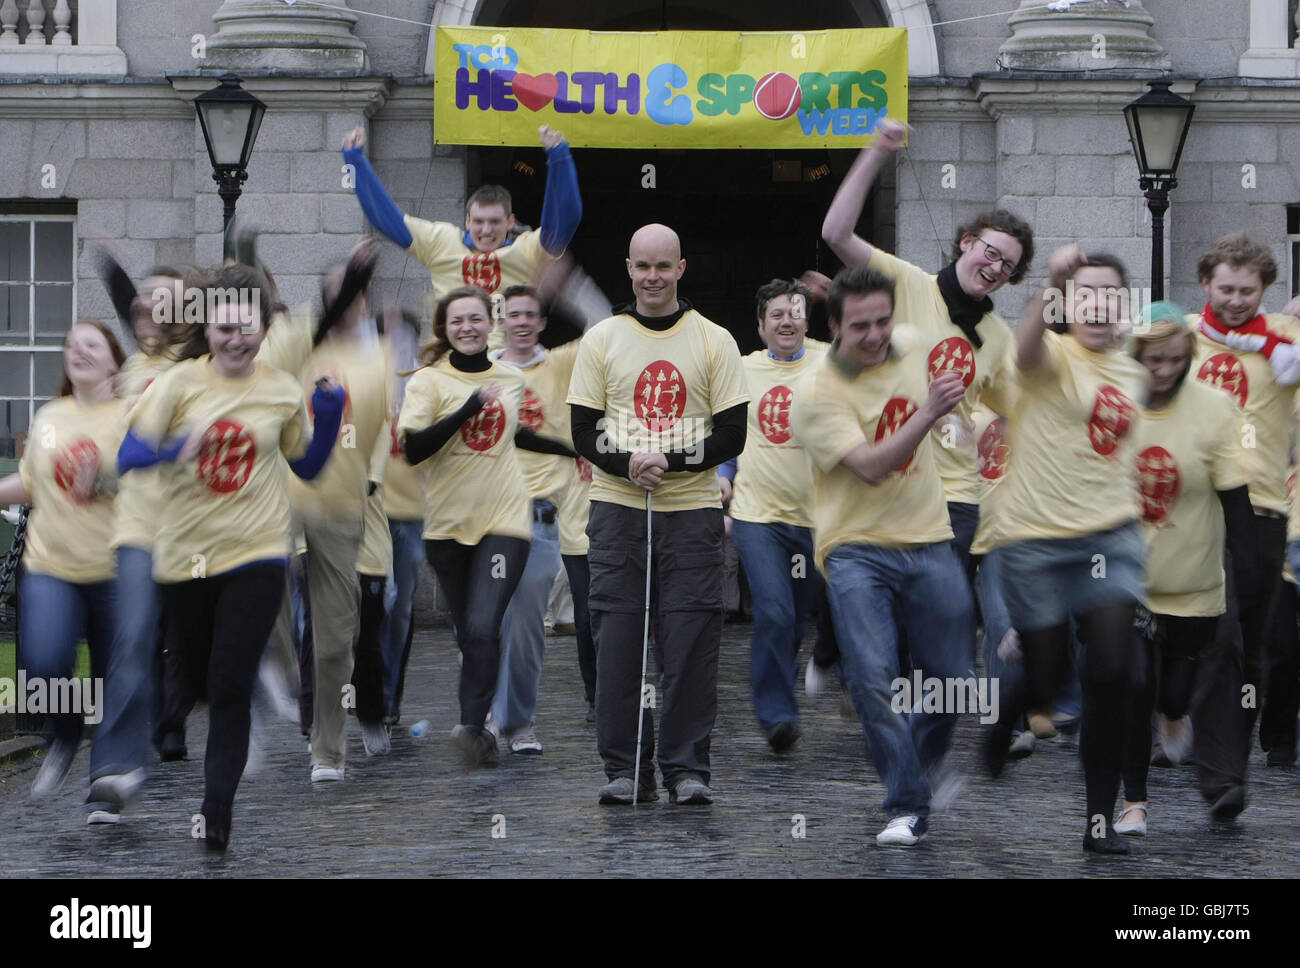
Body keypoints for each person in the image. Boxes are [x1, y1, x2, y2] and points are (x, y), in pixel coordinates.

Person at [121, 264, 345, 849]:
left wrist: (328, 417)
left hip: (258, 552)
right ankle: (220, 703)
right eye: (224, 329)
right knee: (196, 680)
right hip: (185, 558)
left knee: (226, 684)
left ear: (265, 325)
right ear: (206, 326)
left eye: (247, 327)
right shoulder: (177, 384)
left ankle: (216, 809)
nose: (236, 339)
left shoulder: (278, 387)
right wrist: (175, 446)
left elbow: (307, 465)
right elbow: (128, 455)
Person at [568, 223, 749, 806]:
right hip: (617, 513)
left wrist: (667, 461)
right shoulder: (601, 339)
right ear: (628, 268)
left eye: (663, 266)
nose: (652, 277)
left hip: (692, 513)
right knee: (616, 640)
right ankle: (623, 768)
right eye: (642, 266)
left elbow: (733, 434)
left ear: (680, 269)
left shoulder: (714, 339)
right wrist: (626, 464)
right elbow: (582, 429)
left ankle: (686, 769)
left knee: (691, 642)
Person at [789, 266, 971, 847]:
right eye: (860, 326)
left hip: (928, 537)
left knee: (955, 679)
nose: (875, 336)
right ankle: (907, 802)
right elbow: (870, 466)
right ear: (834, 326)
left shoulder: (915, 347)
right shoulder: (816, 393)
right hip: (855, 550)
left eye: (883, 321)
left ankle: (914, 764)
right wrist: (930, 412)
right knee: (873, 678)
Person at [980, 246, 1148, 854]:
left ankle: (1098, 821)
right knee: (1049, 671)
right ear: (1068, 304)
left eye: (1110, 294)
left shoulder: (1134, 370)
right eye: (1085, 293)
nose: (1098, 304)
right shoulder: (1048, 355)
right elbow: (1023, 349)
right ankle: (1009, 715)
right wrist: (1049, 282)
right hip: (1037, 537)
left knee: (1112, 671)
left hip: (1112, 535)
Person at [820, 118, 1033, 587]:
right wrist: (877, 151)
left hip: (954, 501)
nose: (995, 267)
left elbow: (1020, 412)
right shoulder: (909, 284)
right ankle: (830, 656)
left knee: (937, 630)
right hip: (887, 482)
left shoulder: (998, 338)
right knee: (870, 613)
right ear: (966, 242)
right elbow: (836, 233)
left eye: (1008, 266)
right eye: (990, 252)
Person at [396, 286, 574, 767]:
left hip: (504, 519)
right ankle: (484, 725)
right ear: (445, 328)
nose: (467, 328)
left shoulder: (510, 378)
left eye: (475, 319)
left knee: (484, 622)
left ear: (487, 323)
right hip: (448, 526)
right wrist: (467, 409)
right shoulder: (427, 382)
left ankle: (474, 725)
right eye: (457, 321)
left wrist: (572, 450)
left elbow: (515, 433)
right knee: (469, 633)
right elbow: (414, 449)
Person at [1118, 302, 1256, 836]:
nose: (1165, 370)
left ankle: (1174, 714)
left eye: (1176, 359)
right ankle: (1133, 801)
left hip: (1195, 578)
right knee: (1131, 684)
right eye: (1154, 359)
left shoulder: (1214, 409)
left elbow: (1234, 499)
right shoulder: (1115, 405)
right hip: (1129, 576)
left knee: (1175, 691)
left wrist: (1250, 573)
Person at [1188, 233, 1300, 813]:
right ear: (1206, 282)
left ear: (1265, 290)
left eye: (1247, 291)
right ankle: (1219, 772)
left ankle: (1229, 764)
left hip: (1262, 512)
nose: (1235, 301)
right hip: (1193, 510)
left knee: (1252, 650)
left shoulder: (1287, 342)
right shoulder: (1180, 336)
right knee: (1223, 638)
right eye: (1225, 288)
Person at [276, 241, 392, 782]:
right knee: (258, 602)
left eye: (353, 294)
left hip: (341, 512)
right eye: (334, 293)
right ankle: (260, 689)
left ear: (365, 303)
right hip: (278, 504)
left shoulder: (379, 360)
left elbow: (385, 435)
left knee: (333, 642)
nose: (344, 301)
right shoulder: (298, 341)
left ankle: (327, 751)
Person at [86, 260, 196, 821]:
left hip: (199, 531)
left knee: (193, 645)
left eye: (162, 300)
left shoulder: (202, 361)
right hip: (137, 527)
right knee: (131, 642)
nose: (146, 307)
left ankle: (172, 725)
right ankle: (112, 769)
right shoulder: (128, 369)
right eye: (142, 300)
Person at [0, 321, 127, 803]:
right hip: (52, 565)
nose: (78, 350)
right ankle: (66, 733)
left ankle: (106, 781)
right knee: (45, 661)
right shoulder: (50, 415)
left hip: (115, 567)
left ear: (114, 360)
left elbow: (147, 479)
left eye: (91, 344)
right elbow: (33, 481)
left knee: (113, 678)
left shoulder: (130, 416)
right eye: (71, 344)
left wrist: (104, 479)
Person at [716, 278, 827, 752]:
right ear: (761, 326)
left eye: (795, 312)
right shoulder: (741, 371)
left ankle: (826, 662)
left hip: (820, 517)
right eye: (776, 314)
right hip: (756, 514)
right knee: (775, 613)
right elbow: (726, 429)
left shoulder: (830, 361)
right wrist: (722, 473)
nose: (787, 321)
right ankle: (777, 714)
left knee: (802, 618)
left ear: (807, 318)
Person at [485, 285, 586, 754]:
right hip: (488, 511)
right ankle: (485, 711)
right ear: (500, 320)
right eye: (514, 314)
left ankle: (517, 720)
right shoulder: (484, 370)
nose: (522, 322)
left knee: (526, 623)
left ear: (543, 322)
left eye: (532, 314)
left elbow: (608, 326)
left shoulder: (561, 363)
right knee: (485, 621)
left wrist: (570, 284)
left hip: (541, 514)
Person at [341, 125, 581, 308]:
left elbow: (564, 220)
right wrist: (354, 161)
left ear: (510, 222)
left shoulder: (527, 250)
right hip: (448, 365)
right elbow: (386, 219)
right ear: (467, 221)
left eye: (495, 222)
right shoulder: (441, 241)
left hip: (507, 365)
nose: (486, 230)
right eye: (478, 221)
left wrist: (559, 159)